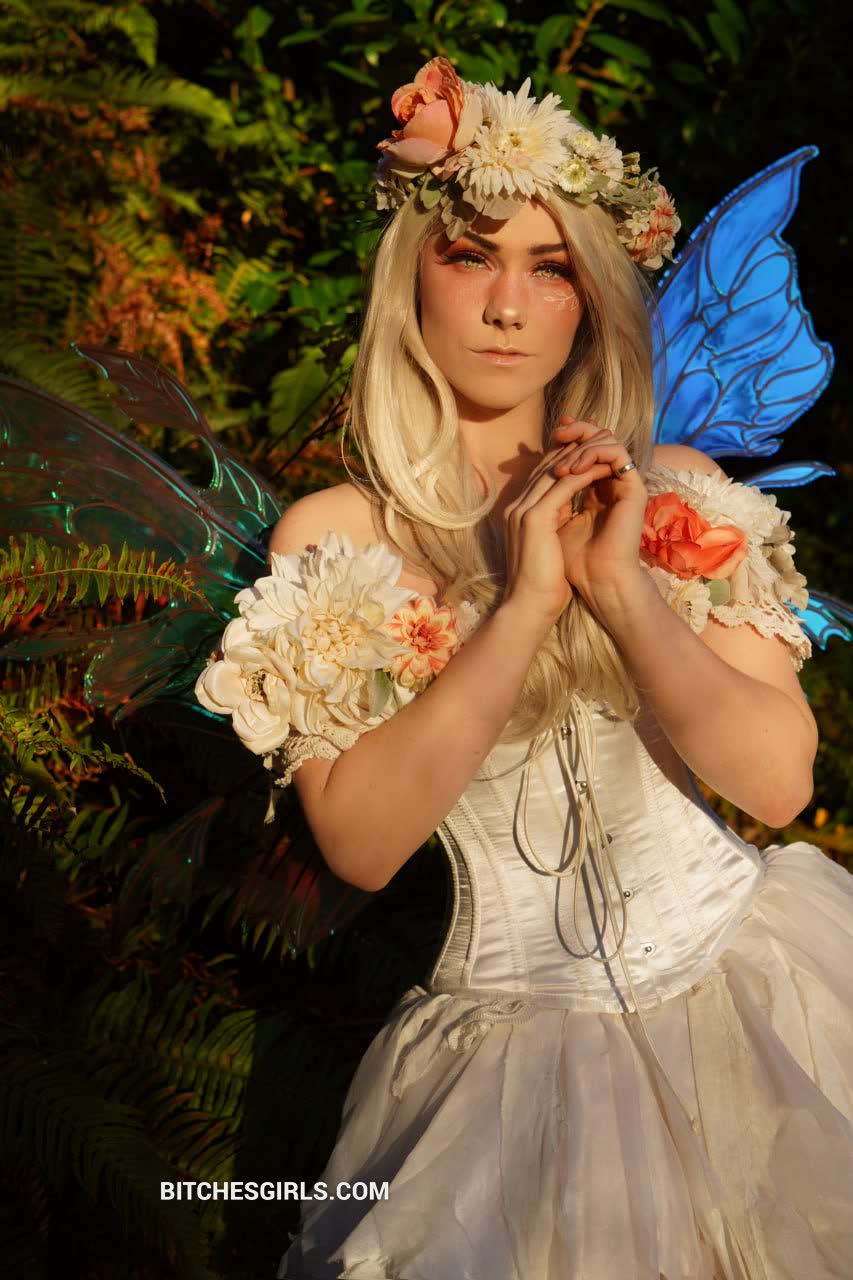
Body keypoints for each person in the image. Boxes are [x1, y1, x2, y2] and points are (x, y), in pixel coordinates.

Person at [196, 58, 853, 1280]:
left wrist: (621, 590)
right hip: (510, 1075)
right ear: (412, 277)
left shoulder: (674, 489)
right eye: (471, 256)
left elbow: (776, 784)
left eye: (550, 268)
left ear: (588, 298)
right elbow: (362, 845)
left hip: (770, 993)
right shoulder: (335, 538)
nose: (508, 305)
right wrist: (523, 606)